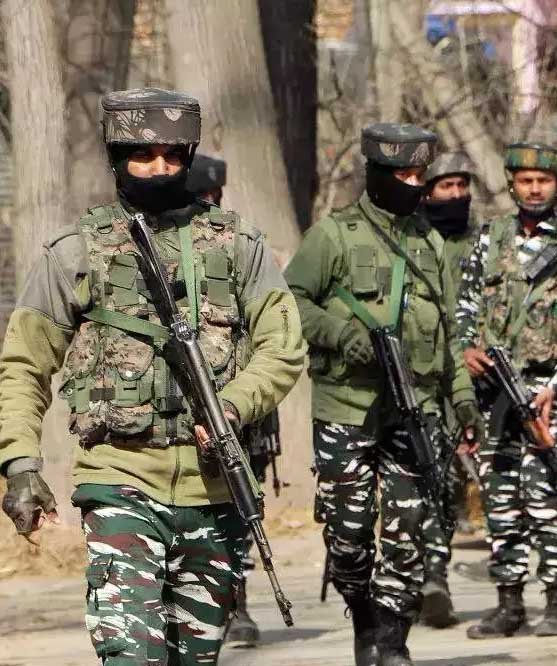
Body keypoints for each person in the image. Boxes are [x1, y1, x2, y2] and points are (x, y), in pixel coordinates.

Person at [0, 87, 305, 665]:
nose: (159, 168)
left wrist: (234, 405)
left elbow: (283, 348)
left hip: (215, 489)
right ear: (116, 157)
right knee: (131, 654)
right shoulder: (74, 253)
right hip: (119, 479)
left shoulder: (238, 246)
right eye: (143, 155)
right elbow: (23, 364)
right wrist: (20, 464)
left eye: (172, 155)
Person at [284, 123, 484, 666]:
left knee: (409, 530)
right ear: (376, 174)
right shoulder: (333, 236)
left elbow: (450, 336)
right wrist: (340, 334)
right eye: (403, 176)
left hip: (415, 408)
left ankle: (392, 641)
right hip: (346, 407)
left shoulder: (431, 244)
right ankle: (364, 616)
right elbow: (290, 301)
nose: (414, 185)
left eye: (421, 176)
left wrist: (463, 400)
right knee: (348, 535)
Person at [458, 142, 557, 639]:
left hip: (544, 390)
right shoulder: (489, 240)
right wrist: (466, 350)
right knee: (499, 498)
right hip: (493, 390)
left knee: (546, 496)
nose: (534, 189)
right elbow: (465, 306)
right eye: (525, 181)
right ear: (512, 185)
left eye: (544, 181)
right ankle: (508, 602)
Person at [184, 153, 282, 648]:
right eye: (199, 195)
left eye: (214, 196)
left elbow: (272, 335)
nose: (208, 203)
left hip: (240, 406)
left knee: (240, 505)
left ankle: (236, 604)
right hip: (181, 404)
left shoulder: (241, 246)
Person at [417, 151, 480, 629]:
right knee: (429, 482)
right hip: (425, 381)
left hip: (478, 380)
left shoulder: (483, 244)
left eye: (462, 186)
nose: (456, 195)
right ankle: (431, 578)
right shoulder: (414, 242)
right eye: (446, 186)